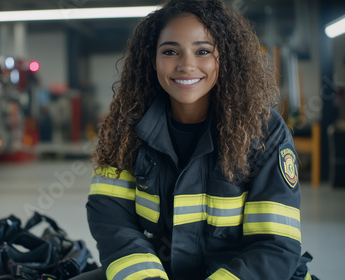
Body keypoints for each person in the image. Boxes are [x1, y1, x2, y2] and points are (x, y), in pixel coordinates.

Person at [75, 0, 312, 279]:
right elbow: (112, 221)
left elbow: (274, 245)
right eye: (171, 51)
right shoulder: (125, 129)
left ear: (225, 57)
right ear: (152, 59)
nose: (186, 65)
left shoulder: (264, 132)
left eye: (203, 51)